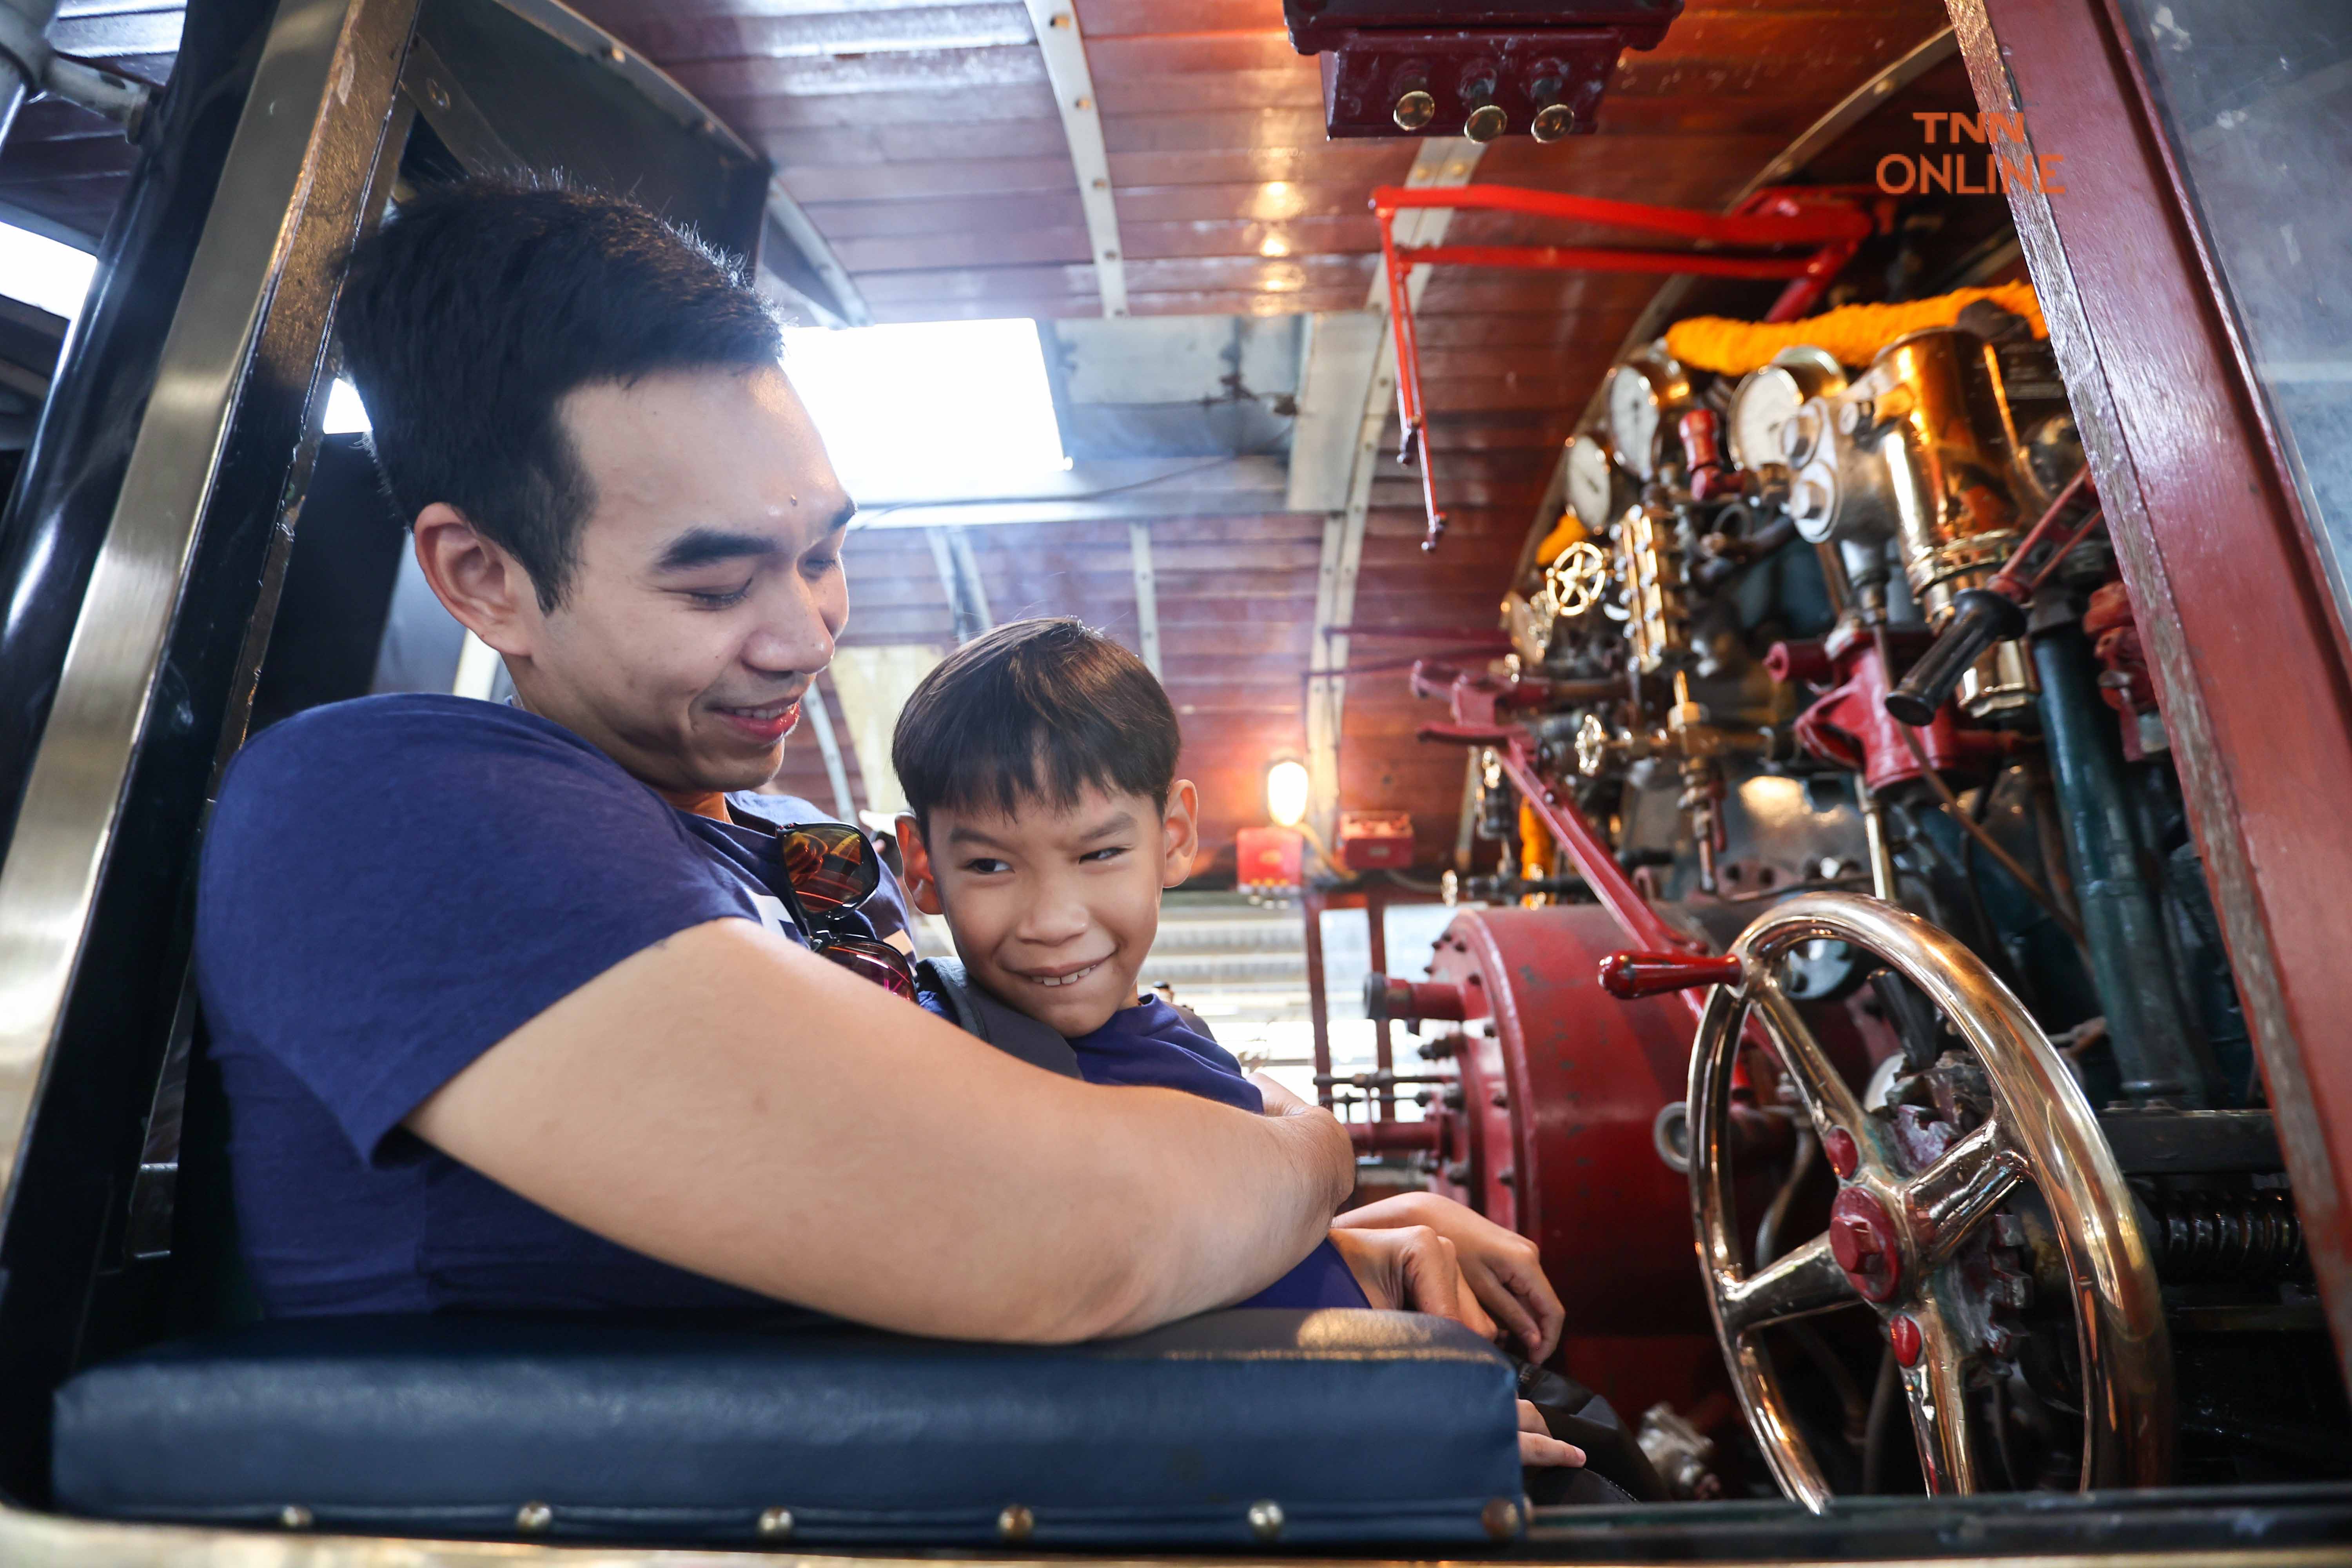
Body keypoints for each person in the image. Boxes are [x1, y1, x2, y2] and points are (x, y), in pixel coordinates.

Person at [190, 181, 1533, 1357]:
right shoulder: (390, 815)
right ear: (484, 578)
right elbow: (1068, 1239)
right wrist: (1312, 1160)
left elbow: (1061, 1175)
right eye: (715, 585)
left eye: (824, 555)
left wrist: (1301, 1258)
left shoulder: (788, 846)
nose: (806, 635)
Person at [888, 617, 1584, 1472]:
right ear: (921, 865)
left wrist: (1368, 1235)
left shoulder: (1167, 1029)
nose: (1052, 919)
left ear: (1174, 834)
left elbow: (1205, 1260)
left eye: (1101, 851)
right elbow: (1089, 1340)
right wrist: (1367, 1410)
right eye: (992, 866)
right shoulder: (964, 1068)